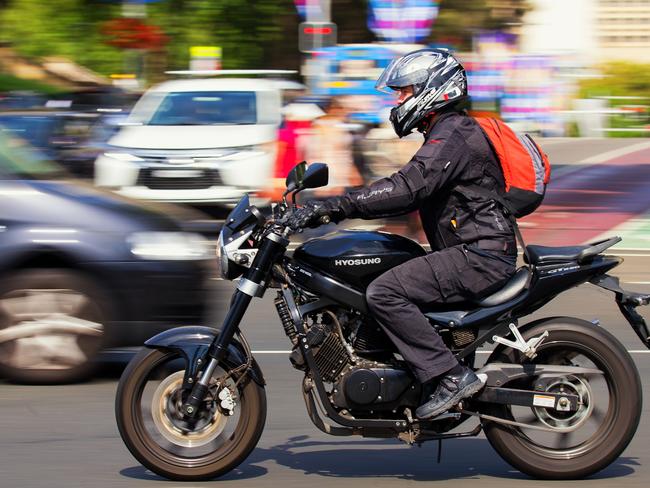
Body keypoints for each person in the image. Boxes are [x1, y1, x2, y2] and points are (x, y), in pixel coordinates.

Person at [286, 48, 517, 420]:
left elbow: (409, 187)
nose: (398, 100)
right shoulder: (447, 132)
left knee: (386, 291)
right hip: (470, 250)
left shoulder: (454, 133)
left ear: (434, 89)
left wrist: (335, 206)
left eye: (405, 90)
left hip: (480, 255)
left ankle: (450, 377)